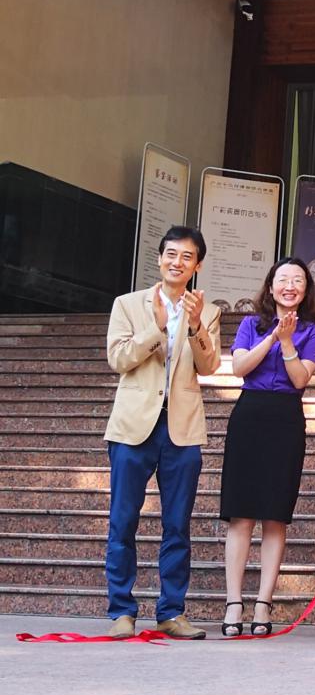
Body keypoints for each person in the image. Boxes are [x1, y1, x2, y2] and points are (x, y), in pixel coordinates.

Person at [103, 226, 221, 639]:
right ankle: (121, 611)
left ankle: (171, 612)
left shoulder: (207, 312)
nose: (177, 262)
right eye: (171, 254)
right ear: (159, 258)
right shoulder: (127, 304)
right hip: (133, 426)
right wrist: (155, 329)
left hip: (182, 428)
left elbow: (210, 367)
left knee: (178, 525)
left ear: (197, 265)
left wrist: (194, 325)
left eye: (187, 256)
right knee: (123, 521)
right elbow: (118, 359)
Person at [219, 258, 315, 636]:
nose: (289, 286)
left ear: (306, 289)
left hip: (286, 420)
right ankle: (234, 602)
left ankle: (263, 603)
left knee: (275, 515)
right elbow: (239, 368)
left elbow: (299, 380)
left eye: (298, 280)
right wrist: (273, 336)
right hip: (249, 416)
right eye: (283, 279)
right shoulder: (250, 324)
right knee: (241, 515)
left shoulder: (313, 331)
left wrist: (288, 341)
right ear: (270, 286)